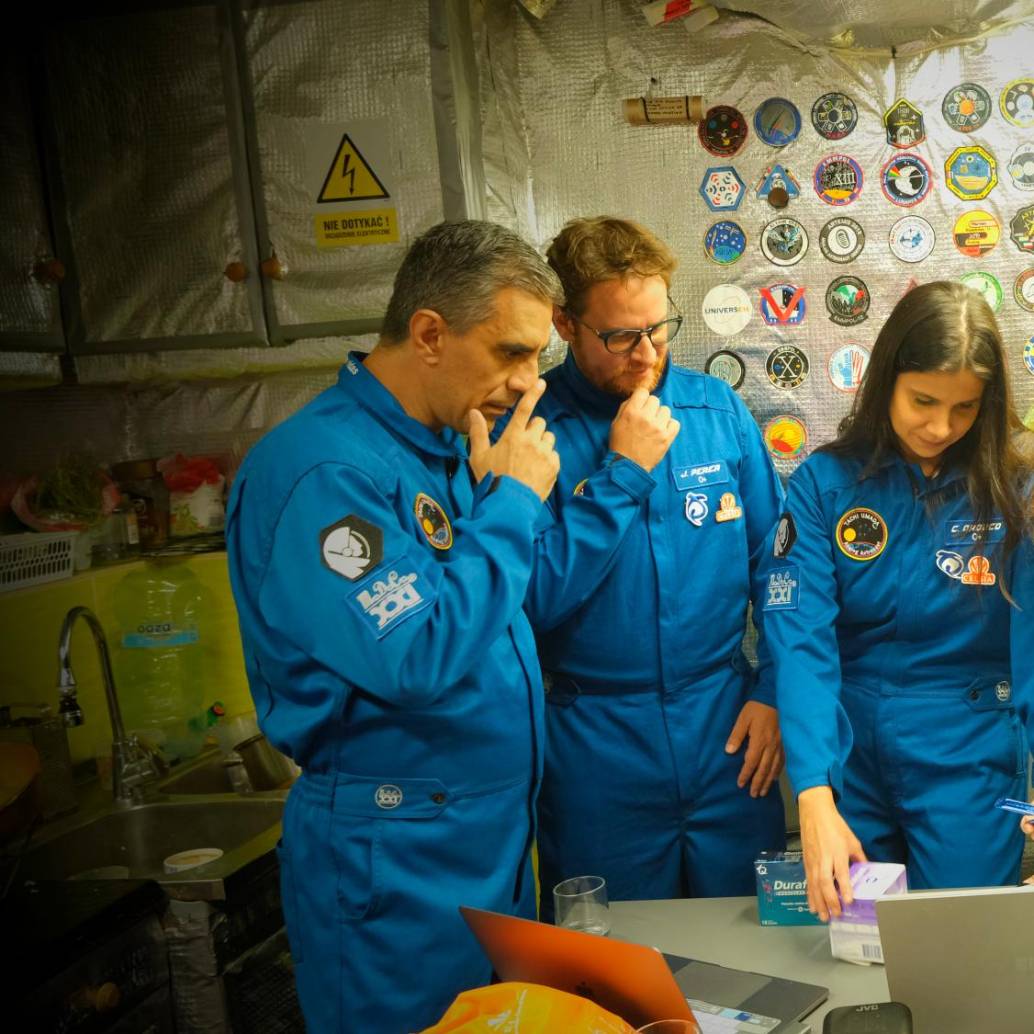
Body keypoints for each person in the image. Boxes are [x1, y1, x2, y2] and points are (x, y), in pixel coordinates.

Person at [225, 220, 569, 1033]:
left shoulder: (445, 451)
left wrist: (495, 501)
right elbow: (416, 653)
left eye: (537, 360)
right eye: (512, 353)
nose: (531, 386)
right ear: (428, 334)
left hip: (484, 843)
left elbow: (491, 612)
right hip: (394, 859)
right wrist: (515, 502)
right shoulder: (323, 471)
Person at [525, 215, 787, 914]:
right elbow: (533, 597)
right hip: (596, 744)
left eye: (658, 327)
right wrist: (622, 473)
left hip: (727, 730)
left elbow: (783, 569)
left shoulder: (716, 409)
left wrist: (772, 691)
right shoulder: (527, 429)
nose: (646, 353)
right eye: (620, 336)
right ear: (565, 324)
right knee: (611, 964)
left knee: (755, 942)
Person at [758, 281, 1034, 921]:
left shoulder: (1016, 491)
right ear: (885, 379)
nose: (940, 427)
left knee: (964, 938)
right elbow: (802, 643)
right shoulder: (824, 484)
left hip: (969, 746)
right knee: (856, 938)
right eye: (923, 400)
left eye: (964, 408)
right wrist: (814, 792)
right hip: (849, 743)